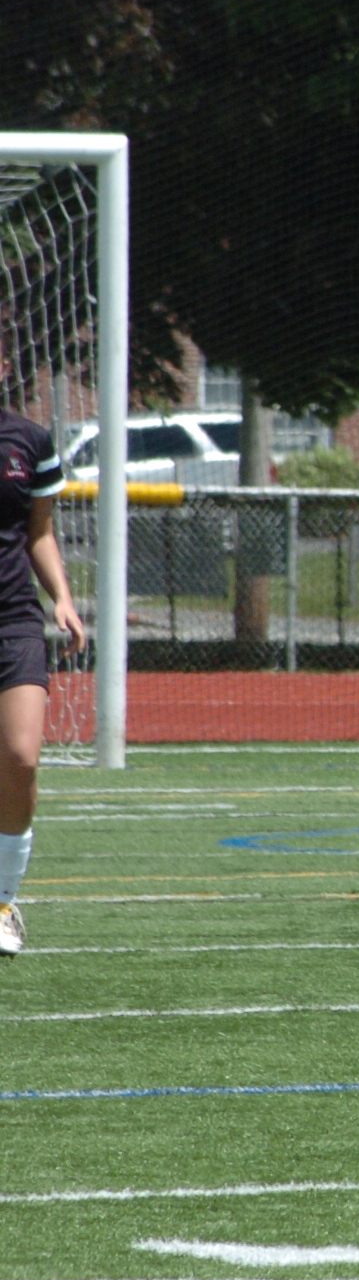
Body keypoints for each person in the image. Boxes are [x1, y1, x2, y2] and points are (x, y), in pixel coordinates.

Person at [0, 405, 80, 958]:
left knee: (21, 757)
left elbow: (40, 532)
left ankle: (3, 903)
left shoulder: (29, 440)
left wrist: (63, 599)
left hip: (14, 621)